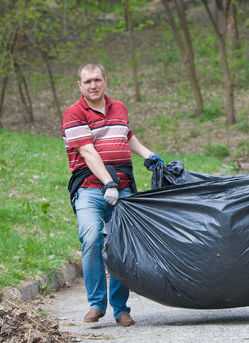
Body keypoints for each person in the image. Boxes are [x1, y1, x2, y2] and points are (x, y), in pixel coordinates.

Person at [62, 62, 163, 326]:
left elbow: (126, 136)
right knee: (92, 237)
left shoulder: (119, 107)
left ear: (106, 80)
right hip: (90, 189)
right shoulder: (73, 113)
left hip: (124, 186)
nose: (93, 85)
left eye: (97, 80)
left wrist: (148, 155)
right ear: (80, 86)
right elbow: (87, 151)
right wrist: (108, 183)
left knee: (122, 246)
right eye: (87, 82)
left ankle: (120, 308)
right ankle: (97, 304)